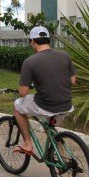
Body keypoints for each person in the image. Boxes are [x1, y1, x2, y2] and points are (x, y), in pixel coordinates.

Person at [13, 26, 77, 155]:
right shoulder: (64, 55)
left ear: (32, 41)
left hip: (47, 105)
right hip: (66, 104)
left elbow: (23, 93)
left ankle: (27, 144)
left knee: (17, 106)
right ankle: (62, 158)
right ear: (48, 39)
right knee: (50, 127)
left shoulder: (30, 62)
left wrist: (21, 87)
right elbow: (73, 82)